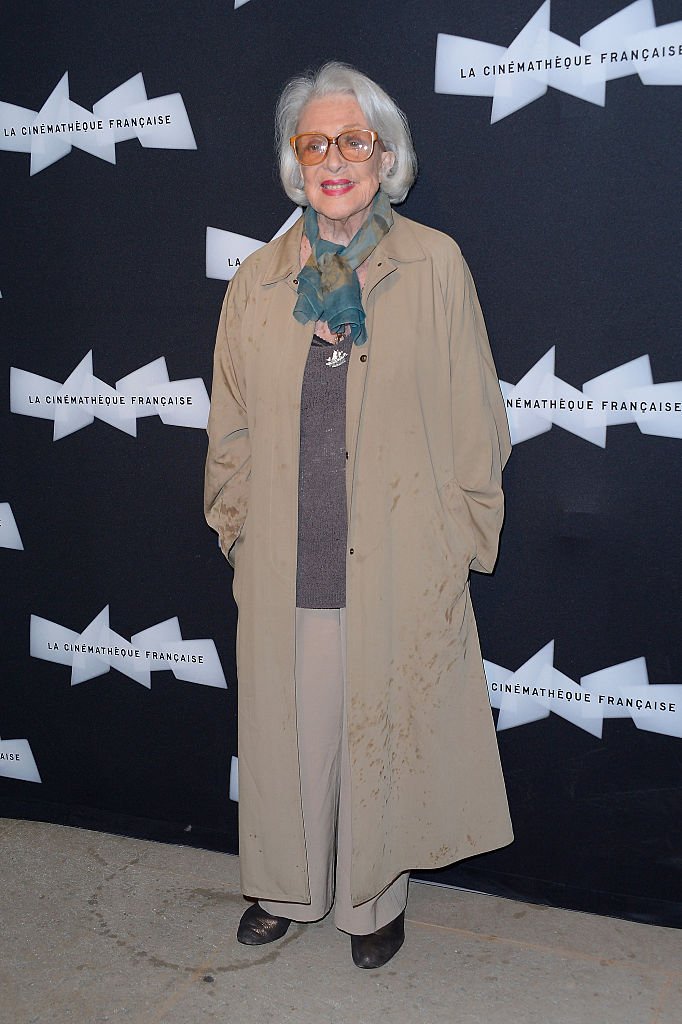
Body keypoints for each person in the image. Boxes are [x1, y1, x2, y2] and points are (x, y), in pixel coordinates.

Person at [205, 61, 513, 970]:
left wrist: (459, 540)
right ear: (294, 162)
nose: (334, 160)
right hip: (286, 561)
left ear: (387, 155)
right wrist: (238, 526)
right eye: (315, 143)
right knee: (290, 739)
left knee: (383, 734)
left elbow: (476, 421)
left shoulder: (436, 263)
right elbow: (231, 425)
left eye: (354, 141)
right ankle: (284, 887)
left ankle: (373, 898)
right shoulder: (258, 280)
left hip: (399, 554)